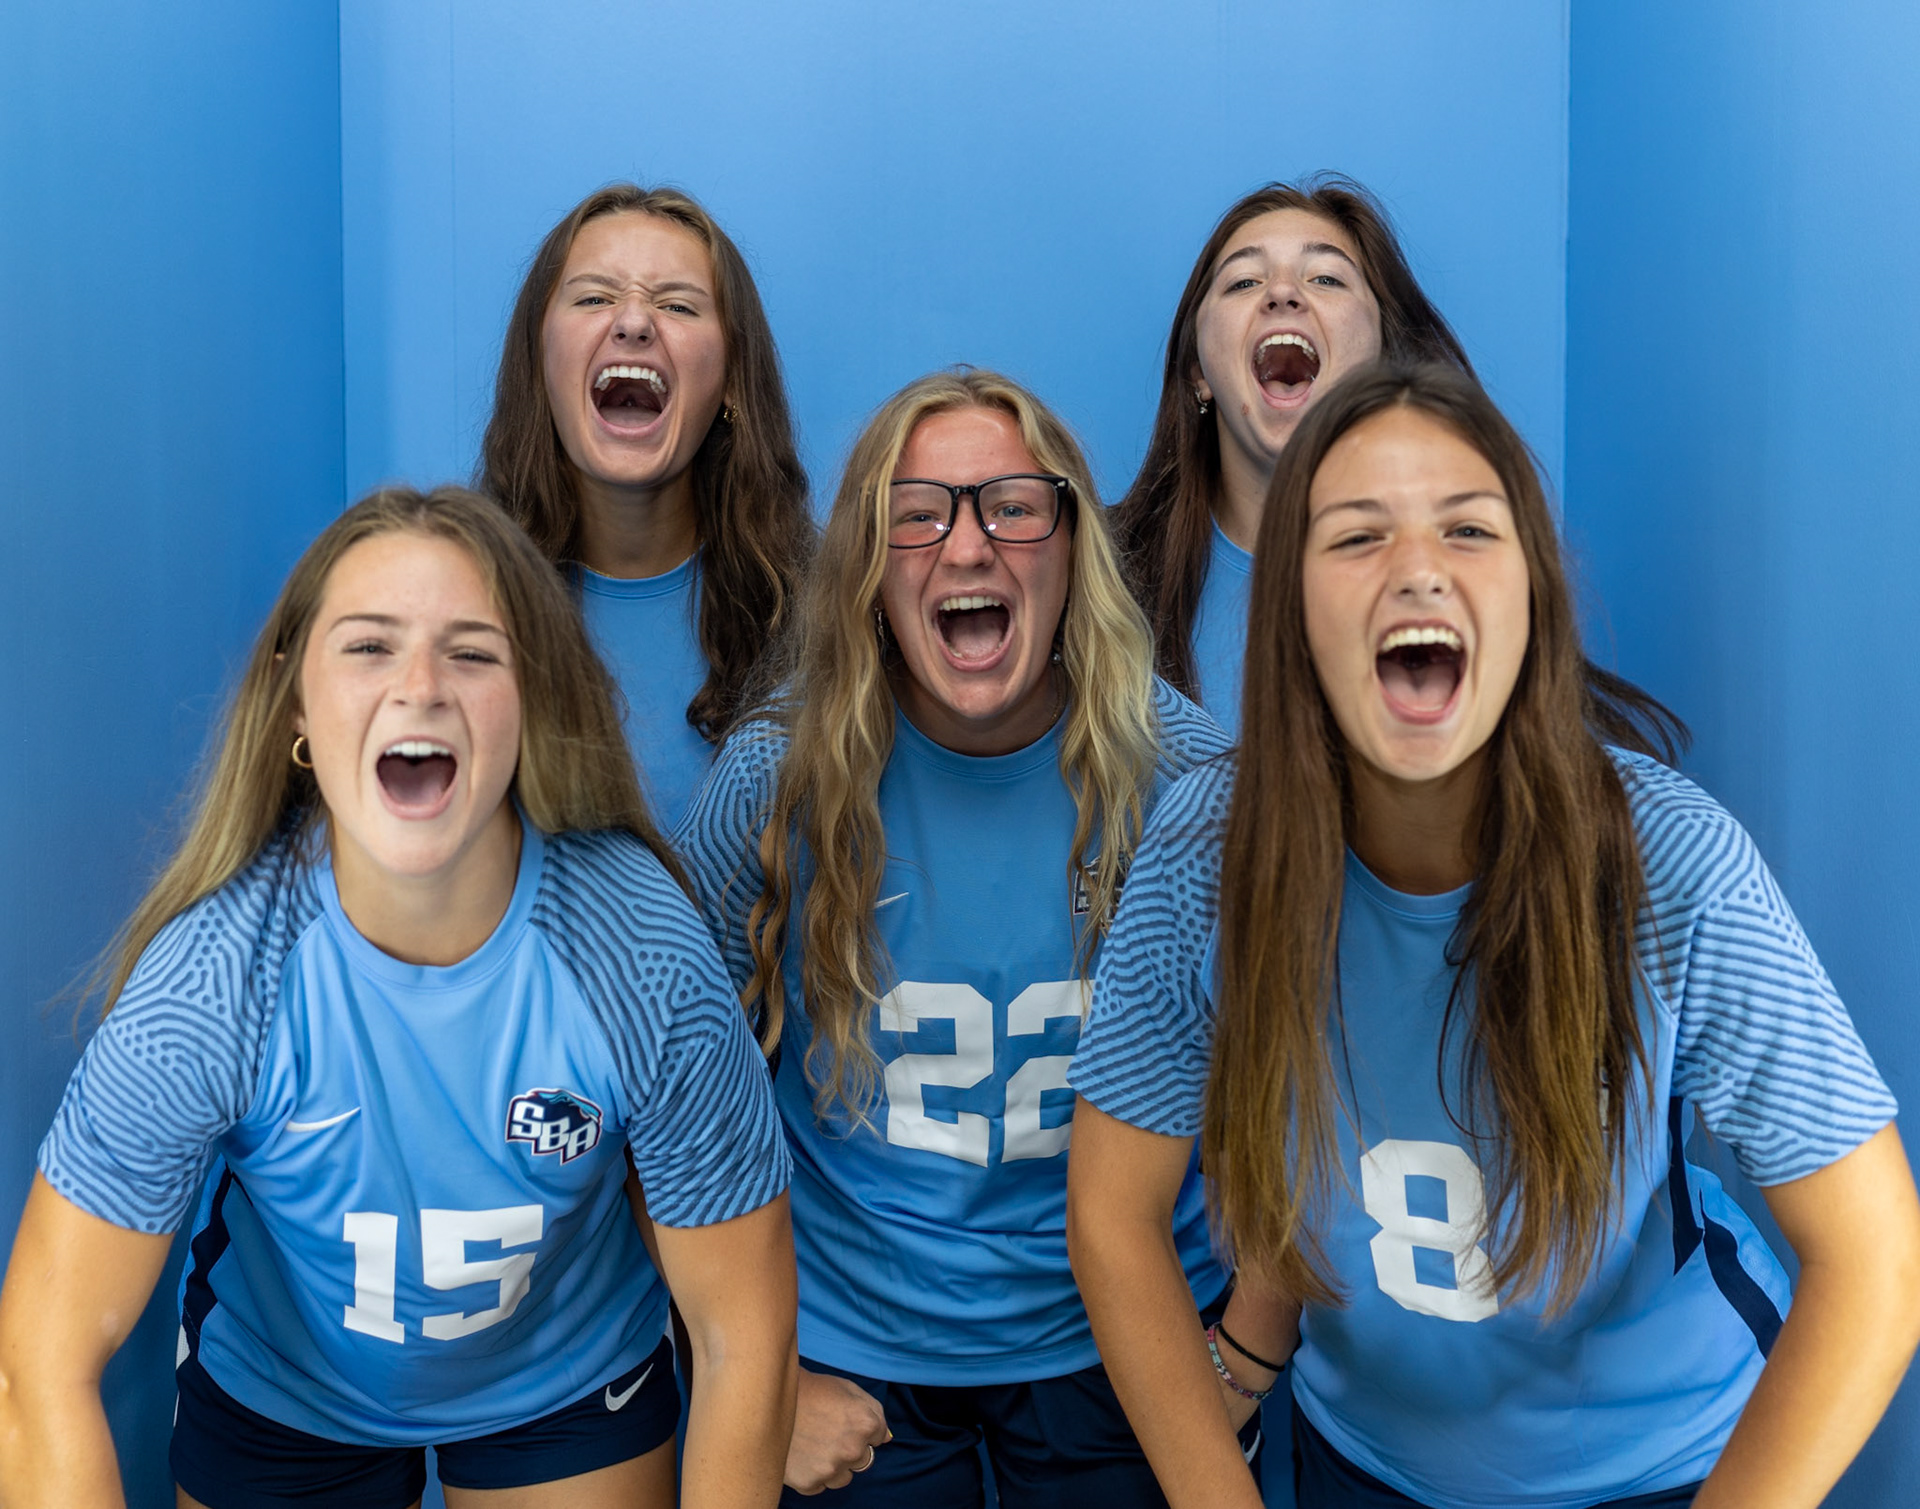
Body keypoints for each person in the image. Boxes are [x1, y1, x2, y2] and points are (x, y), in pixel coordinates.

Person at [1067, 361, 1920, 1509]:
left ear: (1533, 598)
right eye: (1357, 537)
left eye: (1470, 529)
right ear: (1291, 614)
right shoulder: (1198, 860)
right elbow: (1115, 1216)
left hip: (1666, 1468)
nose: (1419, 567)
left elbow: (1876, 1261)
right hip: (1358, 1462)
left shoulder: (1672, 865)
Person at [0, 487, 797, 1508]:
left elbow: (744, 1330)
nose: (420, 685)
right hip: (287, 1391)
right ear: (295, 700)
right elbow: (42, 1364)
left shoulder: (637, 948)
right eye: (369, 646)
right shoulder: (214, 979)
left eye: (471, 651)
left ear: (531, 699)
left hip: (563, 1376)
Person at [676, 370, 1248, 1506]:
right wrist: (762, 1377)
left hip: (1123, 1343)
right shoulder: (772, 786)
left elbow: (1295, 1084)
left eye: (1012, 505)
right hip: (857, 1356)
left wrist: (1249, 1350)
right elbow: (658, 1086)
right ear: (868, 574)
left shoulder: (1187, 785)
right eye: (917, 513)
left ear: (1074, 546)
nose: (969, 545)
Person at [480, 183, 812, 831]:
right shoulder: (462, 603)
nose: (633, 322)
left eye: (678, 306)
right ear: (540, 363)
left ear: (732, 384)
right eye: (595, 297)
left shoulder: (825, 613)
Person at [1111, 177, 1471, 735]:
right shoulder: (1099, 582)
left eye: (1326, 277)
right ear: (1199, 374)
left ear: (1387, 365)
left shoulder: (1464, 580)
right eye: (1243, 282)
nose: (1282, 293)